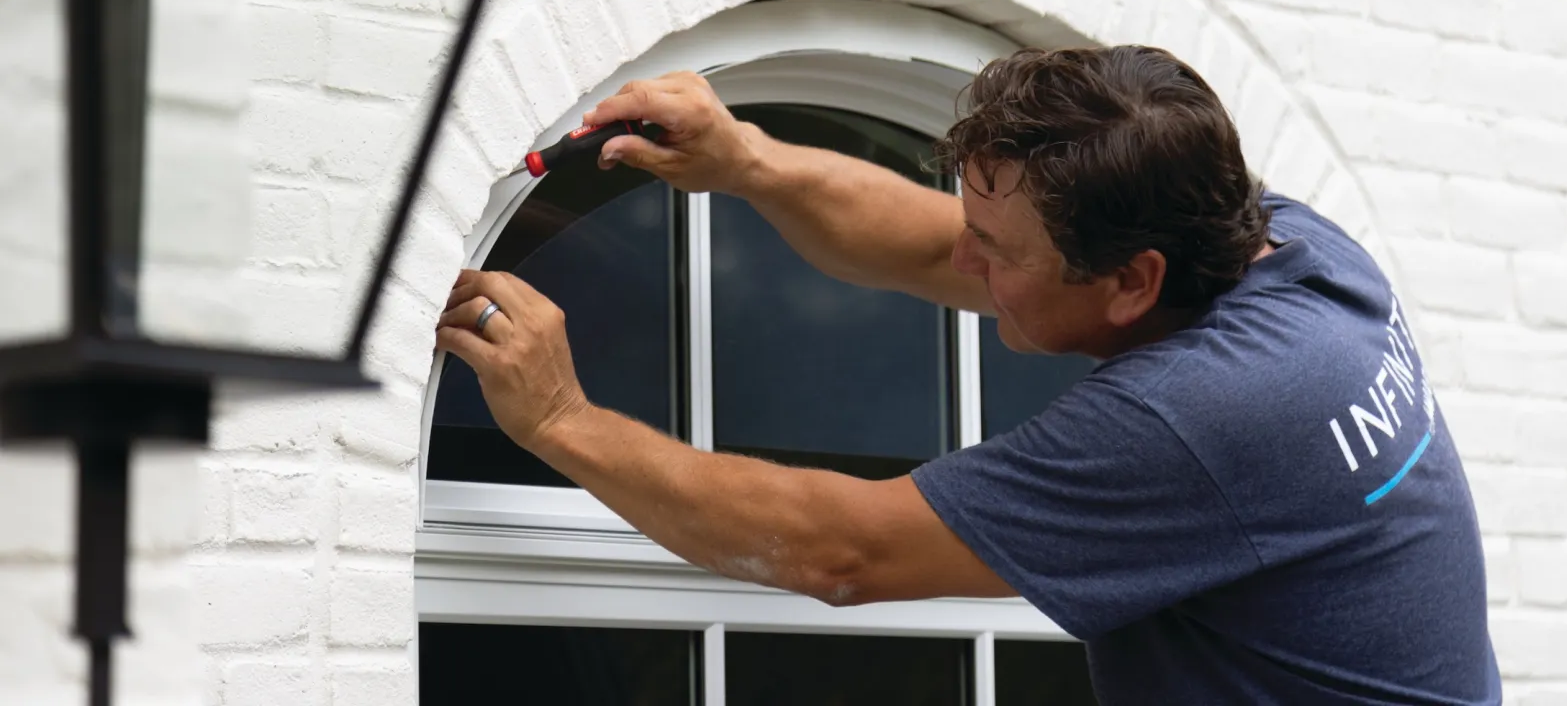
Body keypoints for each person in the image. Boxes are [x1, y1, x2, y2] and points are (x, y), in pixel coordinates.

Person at [436, 45, 1501, 705]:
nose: (969, 260)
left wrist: (565, 421)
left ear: (1131, 281)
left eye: (1003, 250)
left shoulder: (1206, 414)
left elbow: (836, 551)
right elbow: (927, 242)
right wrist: (747, 159)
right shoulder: (1288, 248)